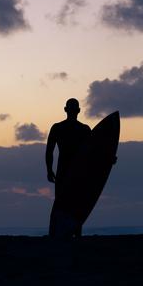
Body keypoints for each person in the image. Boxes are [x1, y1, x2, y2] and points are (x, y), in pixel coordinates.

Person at [45, 98, 92, 237]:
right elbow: (94, 152)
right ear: (78, 111)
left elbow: (49, 151)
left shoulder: (58, 128)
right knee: (76, 204)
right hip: (77, 172)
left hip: (66, 171)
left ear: (66, 110)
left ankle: (60, 234)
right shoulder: (84, 129)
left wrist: (49, 170)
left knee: (63, 203)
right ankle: (75, 234)